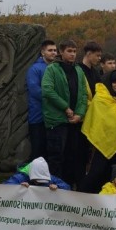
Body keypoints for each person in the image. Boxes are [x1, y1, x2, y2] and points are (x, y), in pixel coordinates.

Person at [41, 39, 88, 188]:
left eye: (74, 51)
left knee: (72, 156)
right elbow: (47, 90)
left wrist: (79, 114)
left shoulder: (78, 70)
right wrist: (65, 108)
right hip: (57, 120)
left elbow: (83, 94)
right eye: (69, 51)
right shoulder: (52, 69)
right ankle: (54, 186)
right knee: (56, 156)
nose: (72, 54)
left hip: (74, 121)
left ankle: (67, 187)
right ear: (61, 52)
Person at [79, 70, 116, 193]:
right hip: (100, 143)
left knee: (110, 175)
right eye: (114, 82)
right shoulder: (100, 98)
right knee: (95, 173)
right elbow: (96, 120)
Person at [25, 39, 58, 162]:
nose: (53, 53)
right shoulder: (35, 69)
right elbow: (35, 91)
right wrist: (56, 100)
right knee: (38, 152)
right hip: (38, 117)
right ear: (42, 52)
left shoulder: (57, 68)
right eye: (50, 50)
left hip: (54, 119)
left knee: (52, 152)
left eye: (55, 50)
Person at [4, 157, 70, 190]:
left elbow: (67, 187)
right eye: (38, 181)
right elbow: (4, 187)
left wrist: (58, 187)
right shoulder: (20, 177)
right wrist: (19, 187)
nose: (40, 184)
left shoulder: (50, 178)